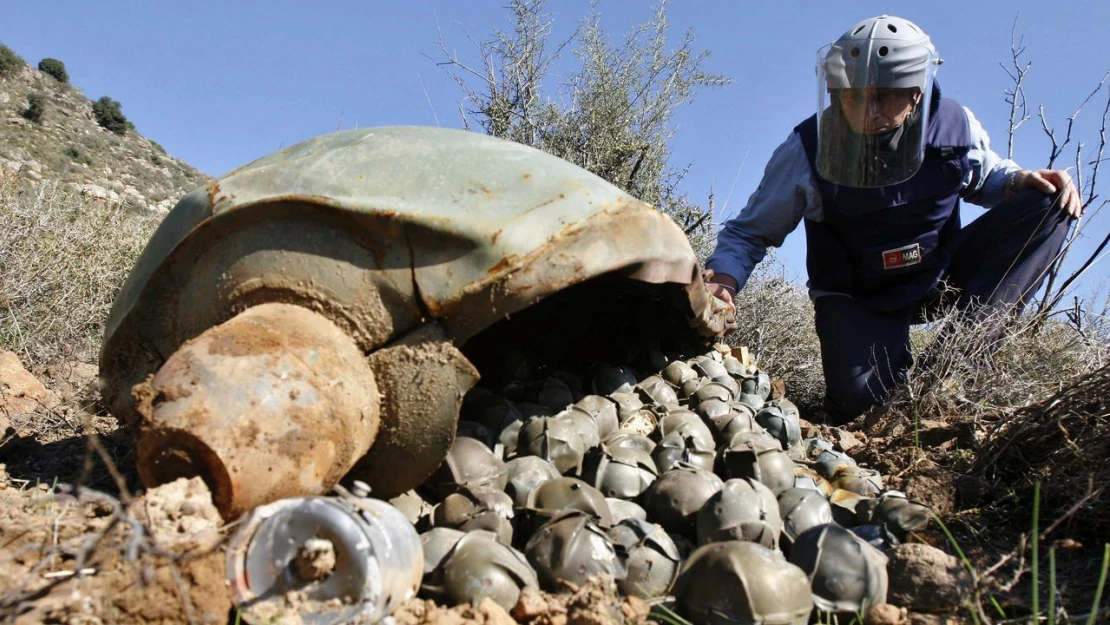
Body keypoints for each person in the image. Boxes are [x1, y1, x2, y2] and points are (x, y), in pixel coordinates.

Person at [705, 15, 1083, 425]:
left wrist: (1018, 179)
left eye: (885, 97)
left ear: (916, 94)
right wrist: (723, 281)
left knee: (1049, 203)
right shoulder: (806, 150)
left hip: (937, 275)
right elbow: (749, 232)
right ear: (835, 90)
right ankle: (871, 391)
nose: (868, 111)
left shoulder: (955, 127)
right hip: (858, 296)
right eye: (854, 96)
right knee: (863, 411)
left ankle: (953, 368)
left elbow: (984, 175)